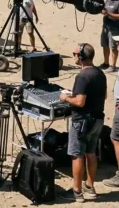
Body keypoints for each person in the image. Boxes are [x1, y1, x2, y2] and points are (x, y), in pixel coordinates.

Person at [60, 43, 107, 202]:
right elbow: (104, 95)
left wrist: (66, 98)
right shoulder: (100, 73)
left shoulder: (82, 76)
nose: (73, 56)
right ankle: (90, 186)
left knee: (77, 155)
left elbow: (79, 102)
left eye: (74, 54)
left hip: (82, 122)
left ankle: (77, 191)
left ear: (80, 57)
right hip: (97, 120)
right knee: (91, 153)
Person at [100, 0, 119, 72]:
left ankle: (113, 66)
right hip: (105, 27)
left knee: (113, 47)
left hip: (114, 28)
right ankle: (106, 63)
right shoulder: (107, 0)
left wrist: (108, 14)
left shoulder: (118, 2)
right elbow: (103, 10)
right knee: (105, 45)